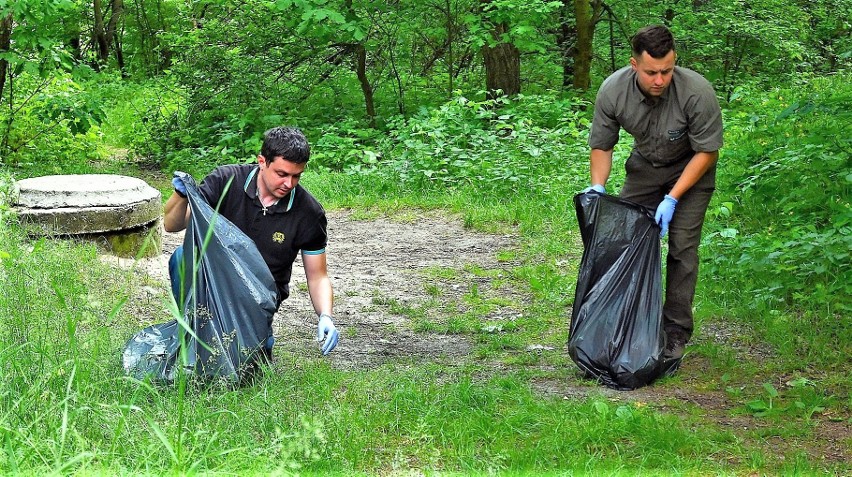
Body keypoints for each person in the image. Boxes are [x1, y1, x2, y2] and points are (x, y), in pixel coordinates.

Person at [583, 24, 723, 361]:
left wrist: (673, 198)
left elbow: (708, 152)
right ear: (634, 65)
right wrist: (598, 187)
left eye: (666, 71)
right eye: (651, 73)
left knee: (682, 249)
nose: (659, 80)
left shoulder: (696, 92)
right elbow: (603, 144)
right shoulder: (613, 91)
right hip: (645, 167)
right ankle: (623, 320)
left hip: (691, 170)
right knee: (623, 240)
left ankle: (674, 331)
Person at [163, 126, 339, 358]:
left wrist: (325, 315)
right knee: (180, 259)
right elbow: (172, 224)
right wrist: (181, 195)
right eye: (282, 174)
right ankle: (194, 331)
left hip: (259, 297)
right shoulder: (225, 181)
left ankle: (258, 338)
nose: (289, 183)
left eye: (296, 176)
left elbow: (317, 275)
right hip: (214, 282)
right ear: (262, 162)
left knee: (246, 363)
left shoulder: (309, 212)